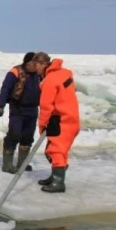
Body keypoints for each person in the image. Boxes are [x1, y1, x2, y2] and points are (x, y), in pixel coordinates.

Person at [32, 52, 80, 193]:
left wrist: (42, 126)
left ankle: (59, 182)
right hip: (72, 118)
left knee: (55, 151)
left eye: (36, 66)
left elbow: (46, 106)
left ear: (41, 64)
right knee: (60, 150)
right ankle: (55, 176)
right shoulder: (65, 73)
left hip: (61, 120)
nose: (36, 70)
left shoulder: (50, 81)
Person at [0, 52, 41, 174]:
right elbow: (6, 89)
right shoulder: (15, 72)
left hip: (32, 110)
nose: (36, 65)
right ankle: (7, 164)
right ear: (28, 63)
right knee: (14, 135)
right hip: (18, 109)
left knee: (27, 137)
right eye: (34, 63)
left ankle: (22, 163)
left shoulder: (39, 75)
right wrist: (1, 106)